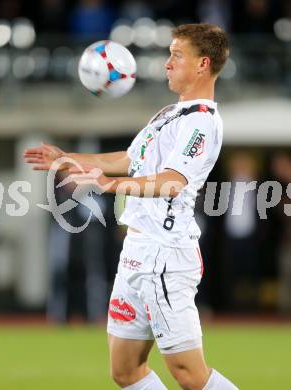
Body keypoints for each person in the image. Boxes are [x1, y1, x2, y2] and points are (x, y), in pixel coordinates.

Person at [24, 23, 238, 390]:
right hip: (137, 252)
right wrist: (68, 158)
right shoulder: (171, 114)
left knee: (188, 373)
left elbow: (171, 181)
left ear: (203, 63)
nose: (167, 63)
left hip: (166, 256)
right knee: (125, 370)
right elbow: (130, 158)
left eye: (176, 55)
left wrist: (109, 185)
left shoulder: (201, 123)